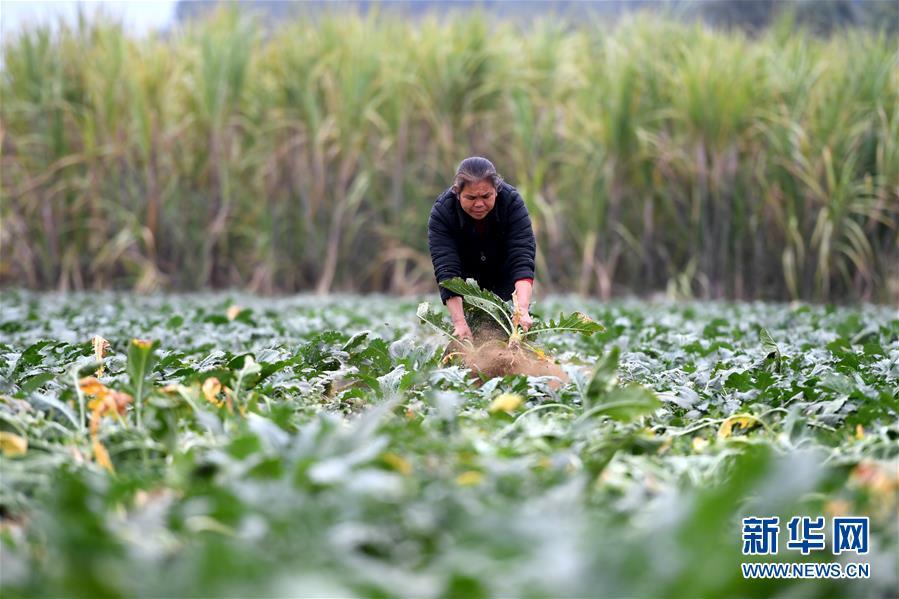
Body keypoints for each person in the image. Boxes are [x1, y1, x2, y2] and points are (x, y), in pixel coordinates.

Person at [427, 156, 536, 342]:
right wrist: (459, 322)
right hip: (467, 285)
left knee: (507, 336)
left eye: (486, 196)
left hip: (505, 280)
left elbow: (522, 257)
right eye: (470, 198)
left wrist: (522, 310)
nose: (479, 204)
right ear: (457, 193)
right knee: (470, 338)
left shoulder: (512, 203)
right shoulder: (442, 213)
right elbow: (447, 271)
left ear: (496, 191)